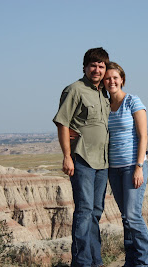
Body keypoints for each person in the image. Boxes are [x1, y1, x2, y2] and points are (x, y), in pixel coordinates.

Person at [52, 47, 110, 267]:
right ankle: (82, 262)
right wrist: (67, 156)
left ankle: (96, 261)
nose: (97, 70)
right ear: (85, 67)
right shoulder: (74, 90)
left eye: (101, 66)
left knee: (95, 212)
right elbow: (62, 122)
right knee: (84, 211)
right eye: (93, 65)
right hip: (83, 159)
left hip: (103, 162)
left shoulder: (103, 93)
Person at [103, 62, 148, 267]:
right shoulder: (105, 105)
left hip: (133, 166)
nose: (112, 81)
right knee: (125, 217)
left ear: (122, 79)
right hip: (114, 169)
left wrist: (139, 167)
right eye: (108, 78)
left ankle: (144, 262)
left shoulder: (132, 101)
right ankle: (131, 261)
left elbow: (143, 136)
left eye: (115, 77)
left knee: (132, 215)